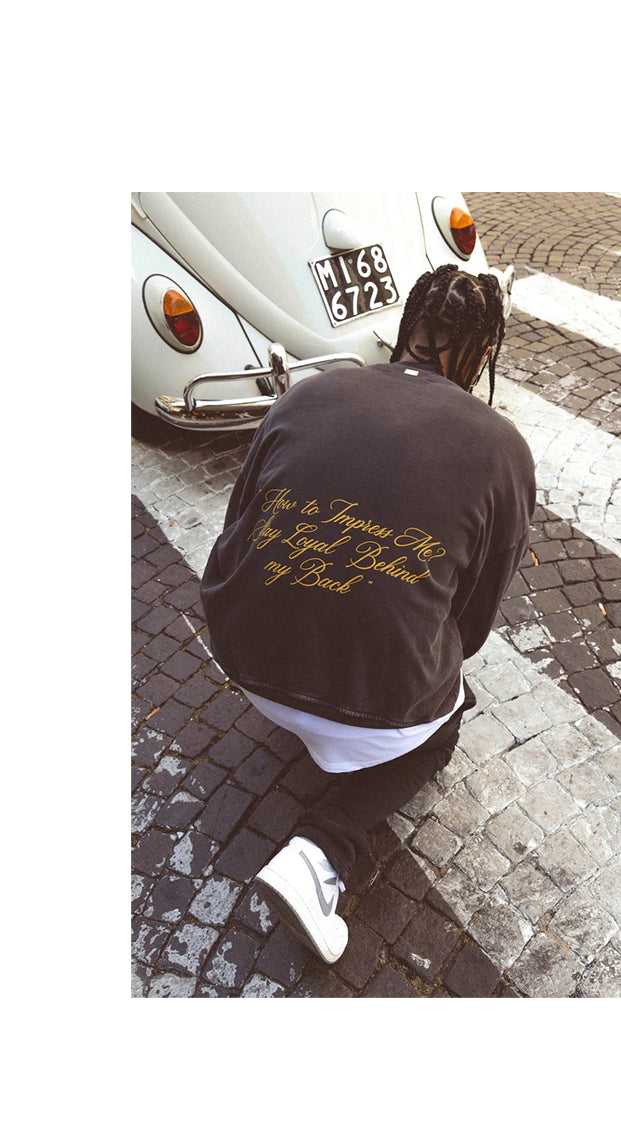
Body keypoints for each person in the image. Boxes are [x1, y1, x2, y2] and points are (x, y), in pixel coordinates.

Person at [200, 264, 536, 964]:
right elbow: (472, 624)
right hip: (373, 704)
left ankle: (314, 717)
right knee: (449, 715)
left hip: (243, 654)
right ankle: (321, 852)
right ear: (482, 354)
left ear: (404, 329)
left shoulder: (308, 394)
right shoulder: (502, 448)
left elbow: (238, 525)